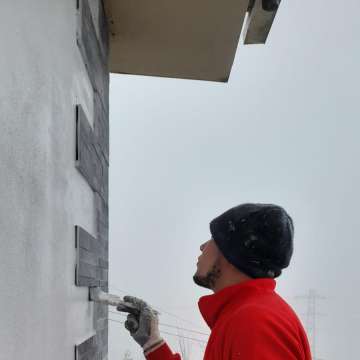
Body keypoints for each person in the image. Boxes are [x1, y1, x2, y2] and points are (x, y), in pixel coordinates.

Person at [118, 203, 312, 359]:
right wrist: (153, 343)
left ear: (232, 252)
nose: (202, 246)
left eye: (213, 238)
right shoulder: (248, 314)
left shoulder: (254, 324)